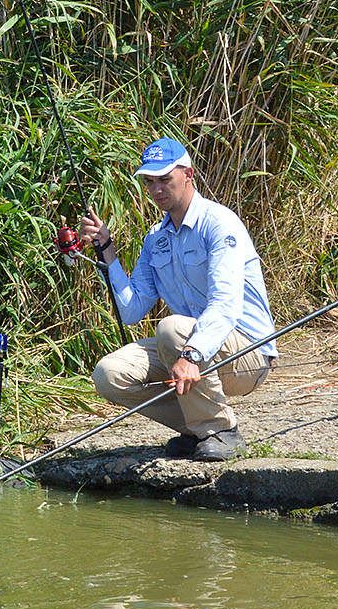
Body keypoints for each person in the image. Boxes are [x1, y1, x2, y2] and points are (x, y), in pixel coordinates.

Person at [80, 137, 277, 462]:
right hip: (188, 346)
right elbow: (131, 310)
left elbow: (224, 305)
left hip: (247, 354)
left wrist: (191, 355)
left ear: (189, 174)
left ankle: (221, 431)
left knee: (171, 328)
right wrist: (108, 254)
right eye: (150, 182)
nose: (157, 189)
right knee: (109, 373)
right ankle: (197, 430)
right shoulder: (155, 240)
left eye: (165, 179)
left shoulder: (219, 223)